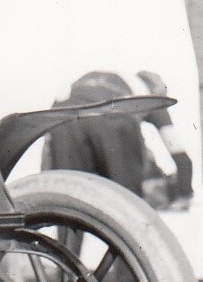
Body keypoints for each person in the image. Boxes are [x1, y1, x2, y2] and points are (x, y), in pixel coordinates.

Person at [43, 70, 194, 207]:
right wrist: (185, 193)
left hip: (62, 117)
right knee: (127, 203)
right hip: (113, 116)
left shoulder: (109, 78)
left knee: (69, 201)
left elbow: (49, 150)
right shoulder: (151, 97)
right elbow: (180, 155)